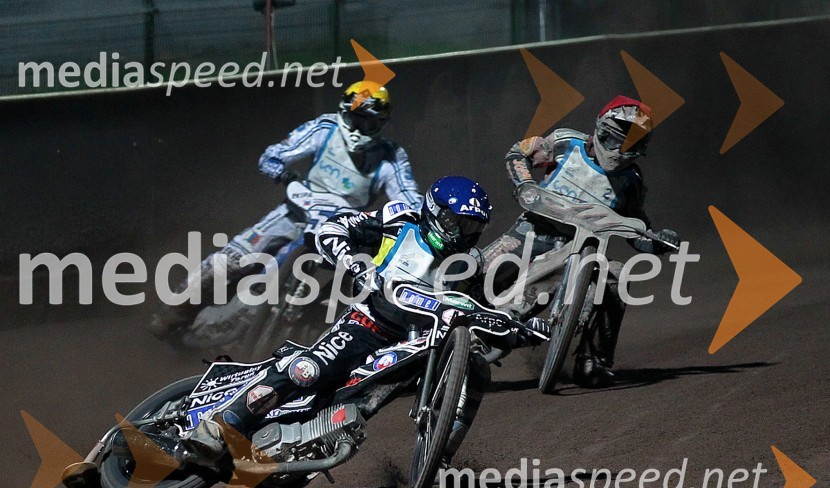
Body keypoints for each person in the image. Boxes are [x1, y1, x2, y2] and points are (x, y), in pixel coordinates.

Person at [184, 176, 550, 464]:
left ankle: (439, 460)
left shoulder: (470, 264)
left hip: (418, 344)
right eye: (455, 222)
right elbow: (332, 229)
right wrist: (352, 260)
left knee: (473, 372)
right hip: (369, 323)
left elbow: (480, 309)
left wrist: (521, 328)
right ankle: (221, 425)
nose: (459, 234)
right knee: (308, 371)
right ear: (435, 211)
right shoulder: (399, 220)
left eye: (470, 228)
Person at [149, 81, 423, 338]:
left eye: (370, 121)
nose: (360, 127)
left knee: (328, 292)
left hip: (339, 228)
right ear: (344, 113)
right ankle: (174, 312)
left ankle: (268, 331)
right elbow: (273, 154)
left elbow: (408, 196)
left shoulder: (390, 157)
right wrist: (285, 175)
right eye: (357, 118)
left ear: (382, 123)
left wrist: (420, 217)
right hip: (296, 209)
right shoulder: (325, 128)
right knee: (230, 260)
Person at [484, 96, 680, 388]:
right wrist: (525, 184)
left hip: (583, 250)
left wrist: (660, 241)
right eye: (623, 140)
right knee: (476, 273)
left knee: (616, 280)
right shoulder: (565, 142)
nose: (627, 150)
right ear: (604, 130)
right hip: (532, 232)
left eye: (635, 143)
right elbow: (518, 152)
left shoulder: (630, 182)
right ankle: (426, 333)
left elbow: (637, 231)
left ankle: (594, 360)